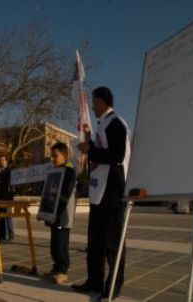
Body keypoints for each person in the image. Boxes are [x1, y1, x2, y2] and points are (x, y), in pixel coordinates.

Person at [71, 87, 131, 301]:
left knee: (112, 243)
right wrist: (90, 143)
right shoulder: (102, 124)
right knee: (94, 241)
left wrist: (91, 150)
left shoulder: (117, 123)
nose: (93, 107)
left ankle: (113, 287)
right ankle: (93, 281)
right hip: (98, 192)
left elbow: (117, 155)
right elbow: (100, 152)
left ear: (103, 102)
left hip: (113, 192)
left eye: (94, 103)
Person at [43, 142, 77, 284]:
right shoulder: (54, 171)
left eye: (55, 156)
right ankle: (56, 267)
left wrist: (56, 212)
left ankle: (62, 270)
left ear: (65, 155)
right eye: (51, 156)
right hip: (54, 214)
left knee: (61, 242)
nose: (53, 159)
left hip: (63, 215)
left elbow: (65, 195)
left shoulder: (69, 171)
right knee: (54, 243)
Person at [0, 155, 15, 241]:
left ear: (6, 161)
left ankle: (11, 235)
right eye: (0, 160)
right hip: (0, 197)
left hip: (8, 198)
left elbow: (7, 180)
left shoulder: (8, 171)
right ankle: (2, 235)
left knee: (8, 216)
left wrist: (0, 173)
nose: (2, 162)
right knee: (1, 217)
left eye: (3, 160)